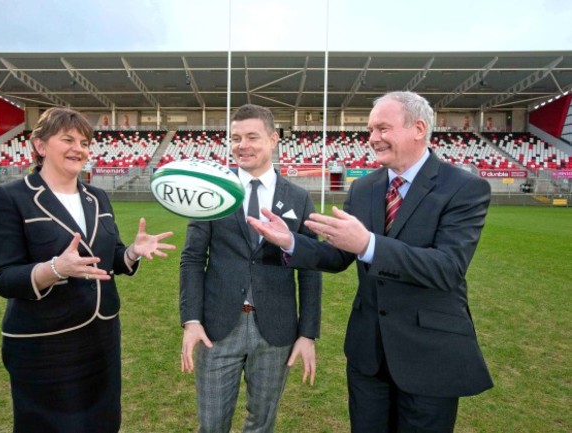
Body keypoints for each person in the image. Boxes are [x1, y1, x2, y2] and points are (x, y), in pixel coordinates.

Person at [249, 91, 493, 433]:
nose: (372, 138)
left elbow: (447, 268)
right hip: (368, 353)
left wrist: (369, 244)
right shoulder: (364, 188)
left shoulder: (464, 188)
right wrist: (289, 240)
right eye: (370, 130)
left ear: (418, 128)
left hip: (429, 355)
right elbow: (338, 256)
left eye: (382, 128)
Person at [0, 107, 175, 433]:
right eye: (68, 139)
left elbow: (108, 257)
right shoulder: (9, 197)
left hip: (101, 340)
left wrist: (131, 253)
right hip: (45, 344)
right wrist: (56, 268)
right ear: (41, 146)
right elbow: (3, 276)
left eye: (85, 142)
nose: (79, 148)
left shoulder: (98, 197)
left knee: (102, 423)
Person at [179, 104, 322, 433]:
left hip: (276, 330)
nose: (242, 145)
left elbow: (310, 268)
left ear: (273, 140)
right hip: (218, 327)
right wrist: (191, 320)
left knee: (262, 423)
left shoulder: (299, 199)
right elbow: (191, 258)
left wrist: (307, 333)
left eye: (252, 137)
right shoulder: (212, 192)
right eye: (236, 138)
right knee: (212, 424)